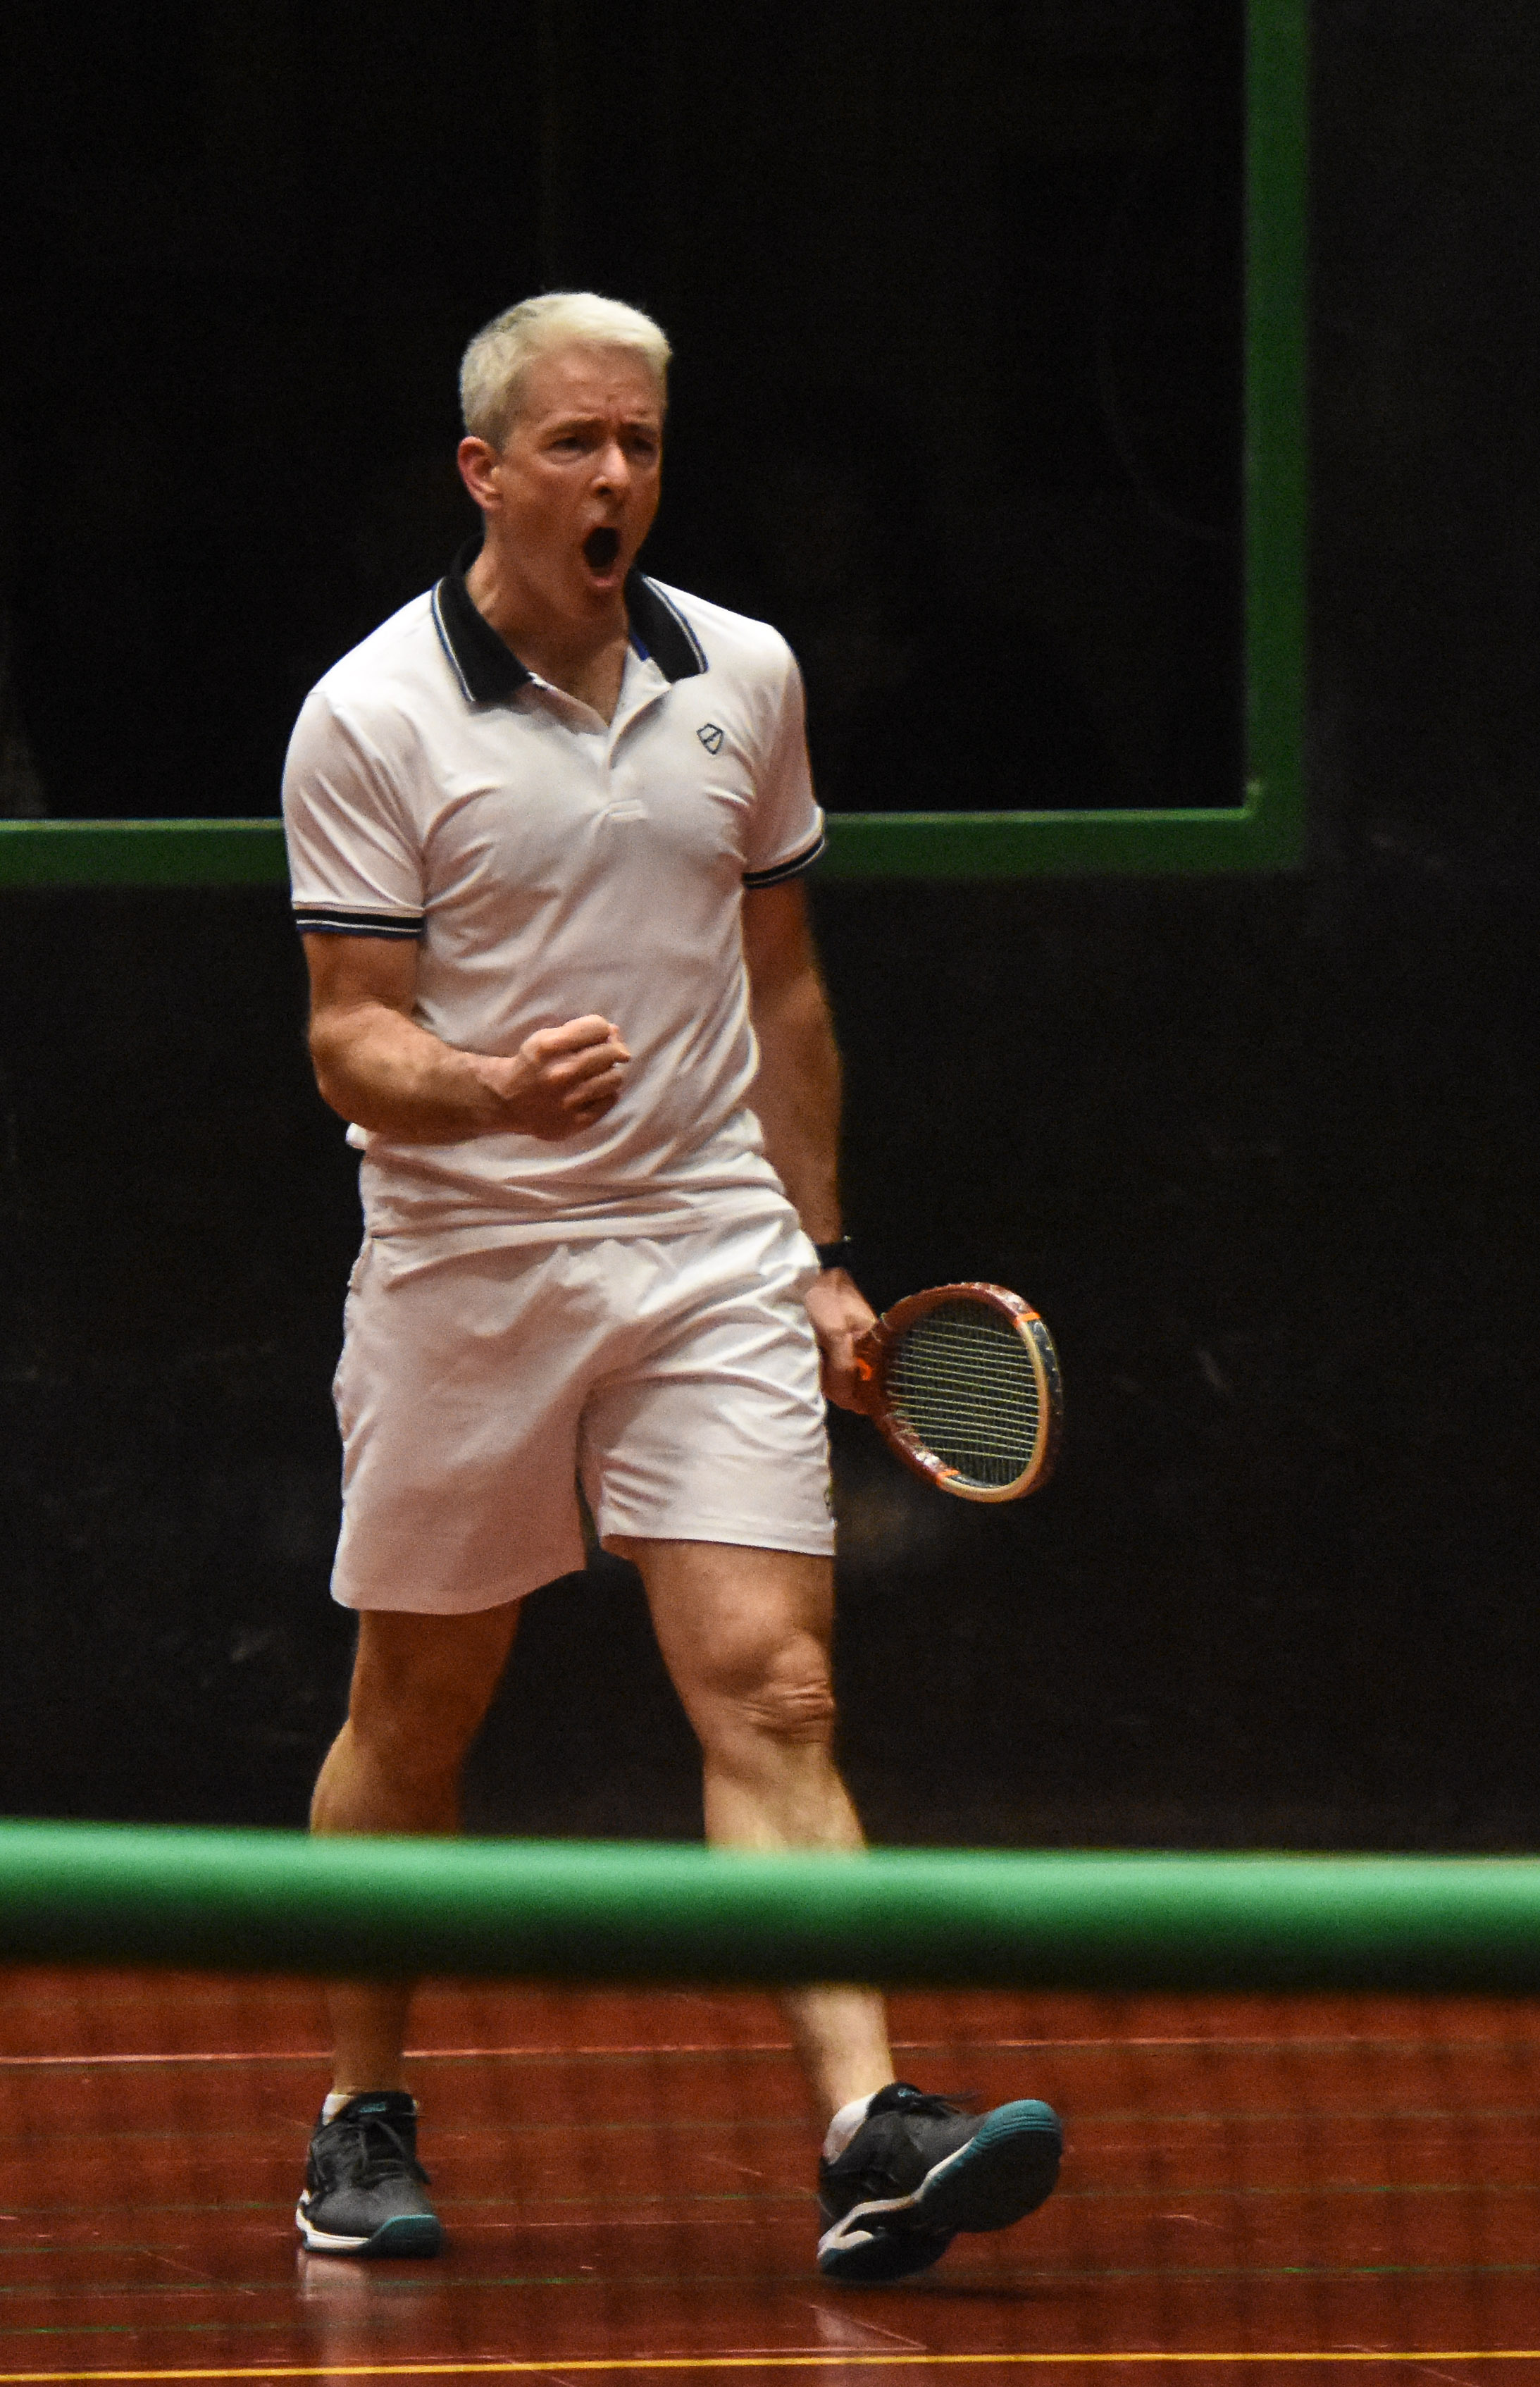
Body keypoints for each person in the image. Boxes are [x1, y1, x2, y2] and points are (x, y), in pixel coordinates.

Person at [281, 291, 1062, 2279]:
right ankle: (360, 2116)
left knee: (776, 1685)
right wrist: (486, 1086)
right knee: (418, 1702)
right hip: (466, 1257)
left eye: (638, 441)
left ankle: (868, 2125)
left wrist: (820, 1253)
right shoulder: (371, 713)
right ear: (485, 472)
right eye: (574, 444)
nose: (615, 475)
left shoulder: (748, 675)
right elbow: (347, 1038)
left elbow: (781, 986)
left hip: (709, 1248)